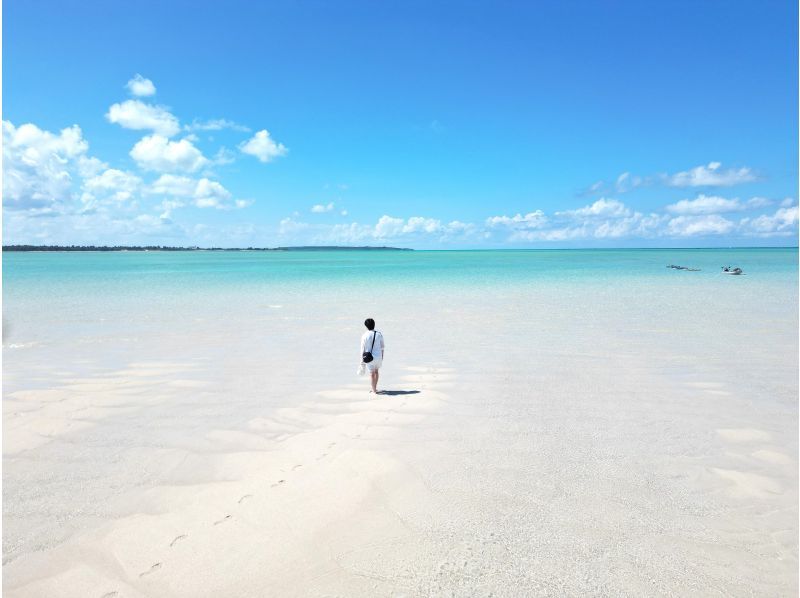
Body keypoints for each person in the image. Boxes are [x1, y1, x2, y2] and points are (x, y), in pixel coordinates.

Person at [360, 318, 385, 394]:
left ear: (366, 326)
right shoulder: (379, 334)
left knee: (371, 373)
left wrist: (362, 361)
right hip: (378, 357)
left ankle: (373, 390)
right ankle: (375, 388)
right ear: (374, 325)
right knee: (376, 372)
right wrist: (382, 357)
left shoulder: (364, 335)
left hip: (369, 357)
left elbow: (362, 349)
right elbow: (382, 347)